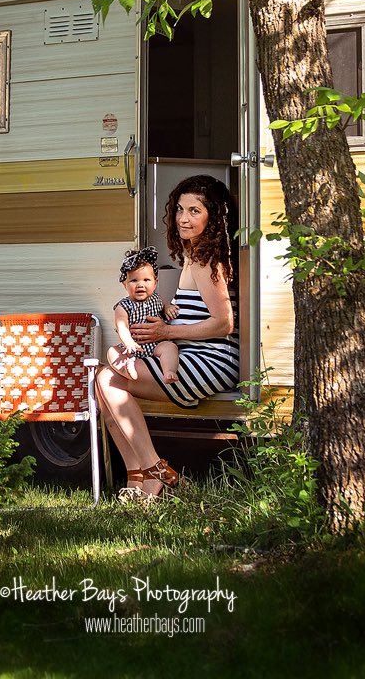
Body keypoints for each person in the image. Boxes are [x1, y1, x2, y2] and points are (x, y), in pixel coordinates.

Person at [95, 174, 239, 502]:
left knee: (108, 380)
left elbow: (223, 325)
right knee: (104, 378)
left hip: (212, 360)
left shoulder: (205, 261)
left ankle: (152, 472)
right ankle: (140, 478)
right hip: (193, 353)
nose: (183, 218)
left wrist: (165, 332)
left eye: (194, 211)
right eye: (179, 209)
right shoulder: (196, 254)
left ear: (213, 217)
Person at [109, 246, 180, 384]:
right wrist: (128, 342)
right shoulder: (123, 306)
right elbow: (121, 325)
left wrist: (168, 307)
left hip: (156, 344)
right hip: (133, 346)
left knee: (170, 348)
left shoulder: (156, 298)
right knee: (113, 351)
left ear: (155, 283)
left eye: (146, 280)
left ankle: (169, 371)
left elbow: (163, 303)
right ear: (125, 285)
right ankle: (127, 369)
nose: (140, 285)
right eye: (134, 281)